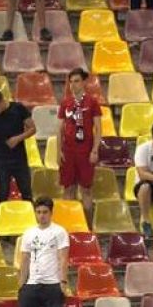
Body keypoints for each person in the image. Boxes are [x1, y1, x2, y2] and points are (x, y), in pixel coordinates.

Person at [17, 197, 69, 307]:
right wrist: (21, 283)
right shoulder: (28, 233)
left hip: (52, 283)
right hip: (32, 283)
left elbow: (63, 258)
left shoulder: (59, 232)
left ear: (51, 213)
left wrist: (63, 282)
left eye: (45, 212)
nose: (41, 215)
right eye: (38, 212)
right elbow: (25, 259)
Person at [58, 68, 101, 213]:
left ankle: (87, 224)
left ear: (83, 82)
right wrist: (59, 151)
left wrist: (95, 150)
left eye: (76, 81)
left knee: (86, 190)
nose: (73, 85)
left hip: (85, 152)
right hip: (68, 151)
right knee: (68, 189)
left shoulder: (92, 102)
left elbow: (98, 129)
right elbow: (60, 129)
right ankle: (69, 222)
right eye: (70, 82)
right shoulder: (65, 103)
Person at [0, 89, 35, 202]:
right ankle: (1, 213)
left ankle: (30, 212)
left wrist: (18, 139)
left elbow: (32, 129)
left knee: (26, 192)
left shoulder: (18, 108)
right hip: (0, 157)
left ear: (2, 102)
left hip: (19, 157)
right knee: (2, 193)